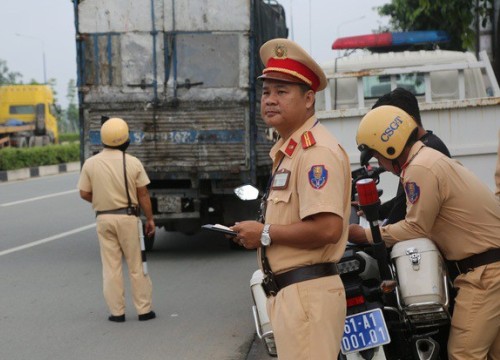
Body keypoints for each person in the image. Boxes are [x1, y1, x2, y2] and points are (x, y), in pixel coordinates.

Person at [349, 105, 500, 360]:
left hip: (484, 275)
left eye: (377, 156)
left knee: (463, 353)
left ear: (390, 148)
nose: (380, 164)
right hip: (489, 266)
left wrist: (363, 235)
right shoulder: (430, 158)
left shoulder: (420, 168)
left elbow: (416, 226)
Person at [231, 38, 350, 359]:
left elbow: (327, 229)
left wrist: (264, 233)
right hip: (292, 296)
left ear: (309, 99)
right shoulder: (290, 151)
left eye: (282, 92)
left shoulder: (315, 152)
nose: (270, 100)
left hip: (307, 297)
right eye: (266, 92)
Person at [77, 117, 156, 323]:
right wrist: (150, 219)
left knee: (111, 268)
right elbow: (143, 195)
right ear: (126, 140)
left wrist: (103, 201)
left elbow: (84, 193)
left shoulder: (91, 163)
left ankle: (117, 313)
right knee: (136, 266)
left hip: (104, 219)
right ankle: (144, 310)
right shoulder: (132, 162)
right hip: (129, 219)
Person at [370, 87, 451, 225]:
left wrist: (363, 235)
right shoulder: (428, 144)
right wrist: (377, 210)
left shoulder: (422, 155)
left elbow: (401, 215)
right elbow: (404, 200)